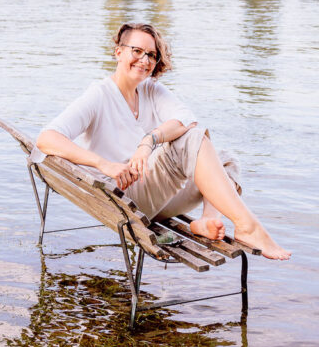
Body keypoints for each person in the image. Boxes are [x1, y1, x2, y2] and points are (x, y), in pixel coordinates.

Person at [32, 22, 290, 260]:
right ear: (118, 52)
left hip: (155, 196)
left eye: (151, 55)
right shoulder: (98, 96)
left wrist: (149, 140)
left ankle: (207, 220)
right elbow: (47, 138)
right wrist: (104, 164)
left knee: (225, 158)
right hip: (125, 199)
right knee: (191, 142)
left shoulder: (150, 89)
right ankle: (248, 226)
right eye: (137, 51)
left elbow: (187, 119)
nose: (144, 60)